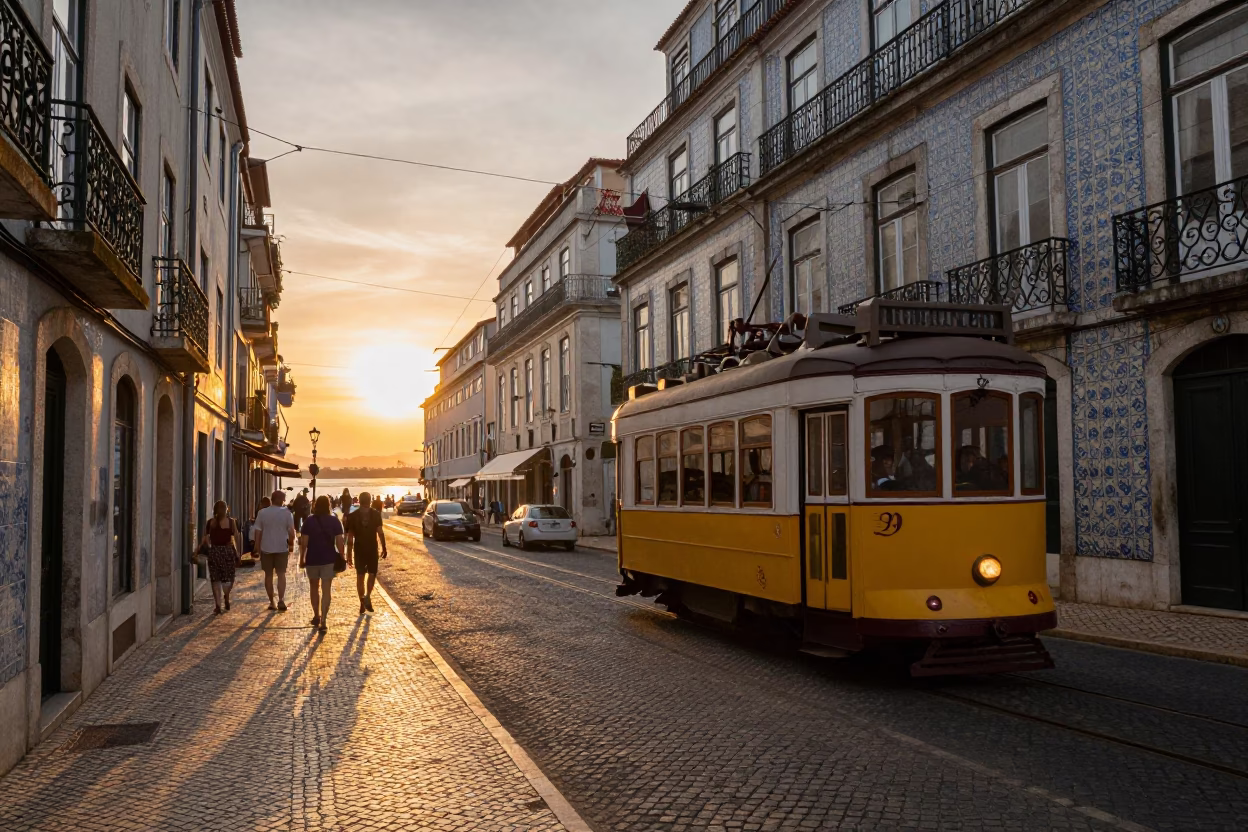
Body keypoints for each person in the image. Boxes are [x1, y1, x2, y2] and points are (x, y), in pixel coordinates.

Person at [299, 495, 345, 633]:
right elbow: (340, 541)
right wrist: (342, 556)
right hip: (328, 560)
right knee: (326, 589)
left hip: (312, 559)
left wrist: (302, 558)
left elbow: (304, 543)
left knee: (314, 587)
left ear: (315, 505)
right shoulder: (334, 521)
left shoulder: (308, 521)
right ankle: (324, 620)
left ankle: (316, 615)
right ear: (329, 505)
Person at [253, 489, 297, 612]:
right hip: (282, 548)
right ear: (279, 499)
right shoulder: (287, 513)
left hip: (266, 548)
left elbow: (258, 531)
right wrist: (292, 545)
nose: (284, 502)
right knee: (281, 574)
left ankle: (272, 602)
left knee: (268, 575)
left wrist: (257, 547)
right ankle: (281, 600)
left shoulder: (262, 513)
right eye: (283, 499)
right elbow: (291, 531)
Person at [347, 490, 388, 614]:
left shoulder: (352, 516)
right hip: (372, 548)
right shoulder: (375, 514)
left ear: (359, 501)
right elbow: (380, 532)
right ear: (370, 501)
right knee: (372, 573)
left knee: (360, 576)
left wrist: (348, 554)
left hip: (359, 549)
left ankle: (361, 603)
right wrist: (384, 547)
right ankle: (368, 596)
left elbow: (349, 539)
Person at [201, 500, 241, 614]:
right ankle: (226, 597)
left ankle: (218, 605)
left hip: (214, 552)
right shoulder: (231, 522)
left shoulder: (210, 523)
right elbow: (237, 538)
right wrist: (238, 553)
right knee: (228, 578)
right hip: (227, 552)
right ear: (226, 510)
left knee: (215, 579)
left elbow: (205, 539)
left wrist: (208, 547)